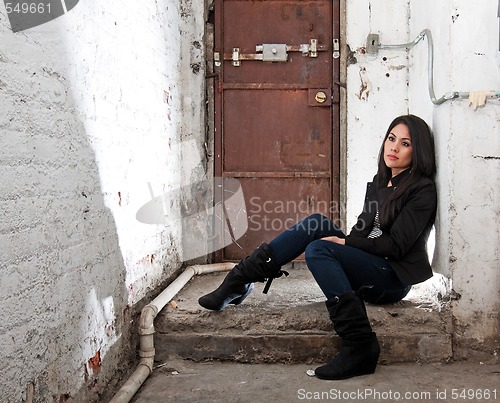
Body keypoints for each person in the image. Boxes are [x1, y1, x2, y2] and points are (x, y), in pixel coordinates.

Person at [199, 114, 437, 380]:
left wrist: (345, 243)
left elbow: (396, 246)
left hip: (391, 277)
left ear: (419, 151)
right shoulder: (381, 180)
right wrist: (346, 242)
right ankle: (239, 280)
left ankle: (360, 346)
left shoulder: (422, 190)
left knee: (318, 250)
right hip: (371, 264)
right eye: (391, 139)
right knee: (316, 225)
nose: (393, 148)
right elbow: (363, 230)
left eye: (405, 143)